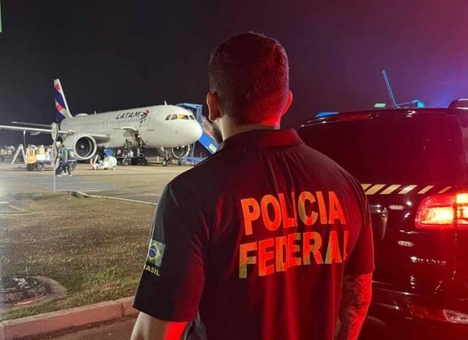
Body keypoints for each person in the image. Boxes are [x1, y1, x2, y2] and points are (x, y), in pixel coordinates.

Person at [130, 32, 374, 340]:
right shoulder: (346, 186)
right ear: (286, 102)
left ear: (213, 105)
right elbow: (357, 300)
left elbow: (156, 333)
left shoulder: (189, 196)